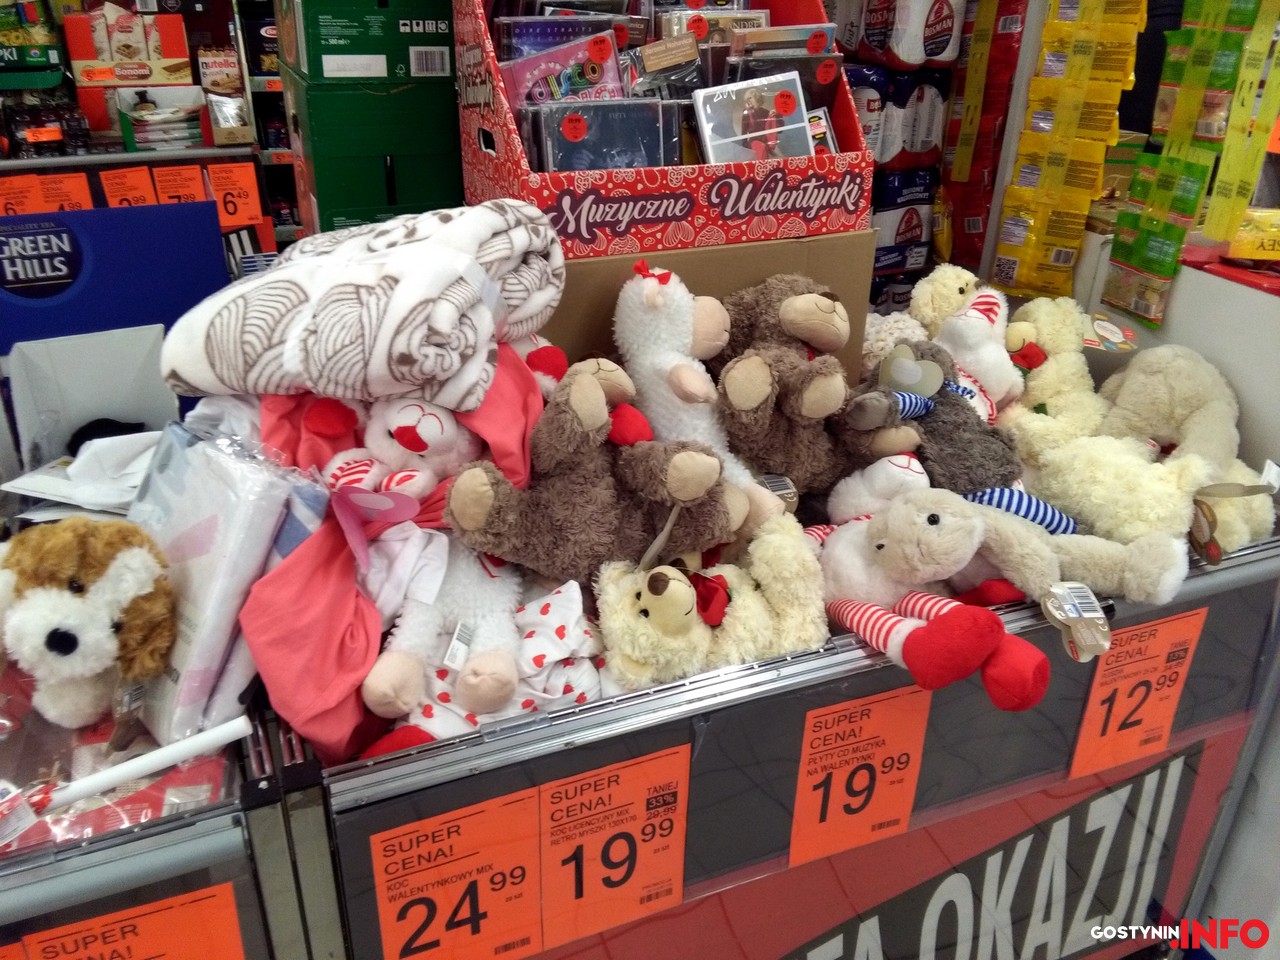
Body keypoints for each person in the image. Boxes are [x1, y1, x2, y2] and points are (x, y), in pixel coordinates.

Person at [740, 88, 780, 161]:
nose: (748, 101)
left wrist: (776, 116)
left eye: (750, 98)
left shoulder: (766, 112)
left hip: (765, 142)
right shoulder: (747, 113)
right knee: (761, 148)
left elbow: (778, 129)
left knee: (764, 151)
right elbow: (744, 130)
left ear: (757, 98)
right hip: (754, 142)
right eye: (747, 99)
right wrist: (744, 146)